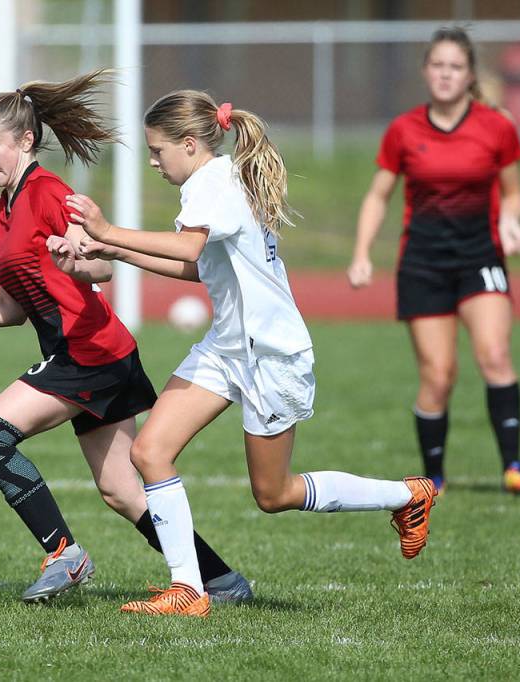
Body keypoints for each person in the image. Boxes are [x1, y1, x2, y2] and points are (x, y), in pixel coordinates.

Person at [67, 91, 437, 618]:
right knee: (149, 452)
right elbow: (200, 268)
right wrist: (116, 251)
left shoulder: (212, 182)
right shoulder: (214, 180)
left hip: (271, 355)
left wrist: (106, 231)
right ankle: (187, 591)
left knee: (274, 493)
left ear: (190, 145)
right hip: (227, 346)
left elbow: (189, 251)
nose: (153, 161)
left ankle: (408, 495)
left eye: (157, 150)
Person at [0, 71, 252, 605]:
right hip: (92, 352)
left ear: (26, 141)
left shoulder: (51, 193)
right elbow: (14, 306)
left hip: (88, 351)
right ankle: (221, 581)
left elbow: (99, 269)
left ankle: (63, 554)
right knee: (122, 491)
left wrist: (78, 262)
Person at [347, 27, 520, 495]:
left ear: (470, 74)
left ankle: (514, 467)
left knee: (495, 355)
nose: (445, 74)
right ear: (426, 72)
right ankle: (434, 476)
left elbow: (513, 194)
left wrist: (511, 222)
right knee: (438, 375)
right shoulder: (404, 129)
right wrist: (361, 253)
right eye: (437, 65)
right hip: (423, 263)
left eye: (455, 67)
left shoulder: (497, 126)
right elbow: (379, 196)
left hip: (481, 258)